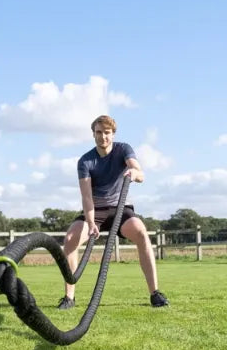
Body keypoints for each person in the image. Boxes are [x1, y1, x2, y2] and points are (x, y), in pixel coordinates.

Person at [58, 114, 169, 310]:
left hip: (120, 208)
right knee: (70, 239)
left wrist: (134, 173)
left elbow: (139, 172)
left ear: (113, 134)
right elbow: (86, 197)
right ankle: (69, 297)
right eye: (99, 133)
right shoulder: (85, 161)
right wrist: (91, 223)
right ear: (93, 135)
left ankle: (155, 293)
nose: (103, 137)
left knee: (142, 232)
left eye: (107, 133)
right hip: (95, 210)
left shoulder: (123, 149)